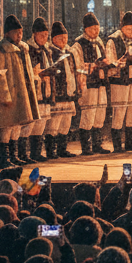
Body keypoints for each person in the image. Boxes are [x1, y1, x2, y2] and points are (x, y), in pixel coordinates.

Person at [0, 14, 40, 170]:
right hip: (7, 96)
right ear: (7, 33)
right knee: (5, 127)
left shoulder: (23, 49)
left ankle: (13, 157)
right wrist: (4, 95)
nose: (19, 35)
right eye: (16, 32)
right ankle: (4, 158)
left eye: (21, 32)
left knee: (16, 126)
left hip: (21, 94)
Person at [71, 12, 111, 156]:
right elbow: (78, 65)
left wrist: (106, 63)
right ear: (86, 29)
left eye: (97, 28)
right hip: (88, 84)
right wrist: (94, 65)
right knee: (88, 113)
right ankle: (86, 146)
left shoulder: (99, 42)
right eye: (93, 29)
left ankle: (97, 144)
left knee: (100, 113)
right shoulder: (78, 44)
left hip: (100, 82)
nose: (96, 31)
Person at [106, 10, 132, 153]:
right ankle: (117, 144)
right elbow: (111, 62)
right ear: (122, 27)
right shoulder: (113, 40)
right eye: (128, 29)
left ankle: (130, 142)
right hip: (120, 81)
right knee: (119, 110)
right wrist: (125, 61)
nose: (131, 32)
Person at [22, 17, 55, 165]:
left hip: (45, 88)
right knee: (32, 122)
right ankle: (24, 153)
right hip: (35, 89)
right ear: (34, 34)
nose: (44, 38)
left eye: (46, 35)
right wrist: (38, 74)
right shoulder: (28, 50)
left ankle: (36, 152)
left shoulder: (46, 50)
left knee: (42, 122)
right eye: (41, 35)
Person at [45, 21, 79, 159]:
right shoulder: (50, 52)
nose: (64, 41)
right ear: (54, 39)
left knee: (66, 122)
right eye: (61, 38)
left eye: (65, 38)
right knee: (55, 123)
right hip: (58, 92)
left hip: (68, 92)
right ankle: (50, 150)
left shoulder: (69, 52)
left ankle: (62, 149)